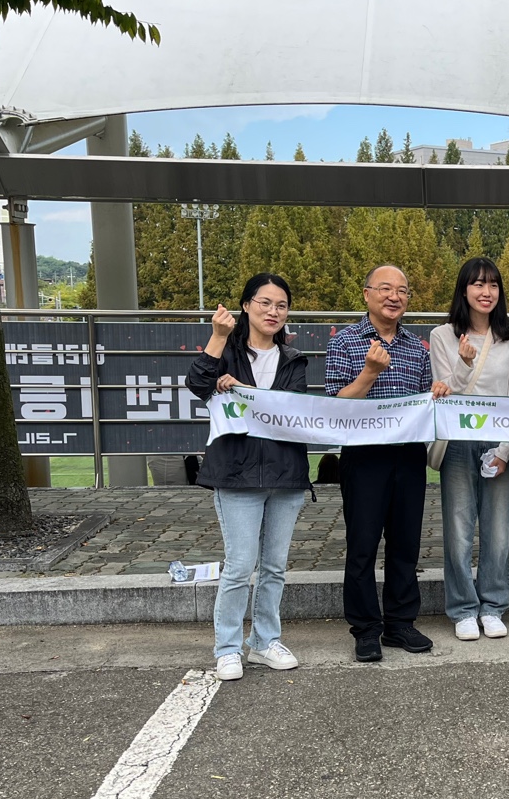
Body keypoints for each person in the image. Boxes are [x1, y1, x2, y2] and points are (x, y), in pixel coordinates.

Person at [186, 273, 310, 681]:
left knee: (274, 567)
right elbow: (197, 383)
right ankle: (227, 648)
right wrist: (218, 337)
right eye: (265, 303)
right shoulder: (227, 351)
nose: (273, 311)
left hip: (286, 476)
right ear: (246, 306)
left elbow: (292, 409)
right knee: (239, 566)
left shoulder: (294, 360)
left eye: (281, 305)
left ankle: (264, 641)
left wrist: (245, 391)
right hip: (236, 475)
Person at [324, 264, 450, 663]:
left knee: (405, 544)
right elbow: (335, 406)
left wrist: (437, 391)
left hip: (408, 455)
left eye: (402, 291)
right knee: (362, 545)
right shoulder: (345, 342)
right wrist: (369, 373)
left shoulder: (417, 348)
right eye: (385, 289)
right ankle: (365, 629)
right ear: (367, 294)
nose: (394, 297)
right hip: (364, 456)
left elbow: (425, 405)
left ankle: (400, 623)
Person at [430, 258, 509, 642]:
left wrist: (505, 449)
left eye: (493, 285)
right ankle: (463, 608)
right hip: (457, 440)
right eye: (478, 284)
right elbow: (446, 391)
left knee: (497, 530)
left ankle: (493, 605)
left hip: (498, 439)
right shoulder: (443, 335)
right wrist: (464, 363)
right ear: (464, 289)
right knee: (458, 530)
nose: (486, 292)